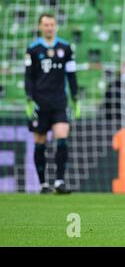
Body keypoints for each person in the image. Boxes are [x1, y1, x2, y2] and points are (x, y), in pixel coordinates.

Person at [25, 13, 80, 194]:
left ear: (55, 26)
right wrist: (29, 99)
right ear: (40, 27)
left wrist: (75, 98)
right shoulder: (33, 49)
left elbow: (71, 74)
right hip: (40, 102)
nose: (49, 27)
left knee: (62, 136)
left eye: (52, 24)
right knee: (40, 141)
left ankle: (59, 181)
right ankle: (42, 184)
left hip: (59, 101)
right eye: (46, 24)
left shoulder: (65, 47)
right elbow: (29, 77)